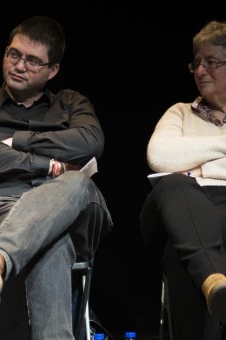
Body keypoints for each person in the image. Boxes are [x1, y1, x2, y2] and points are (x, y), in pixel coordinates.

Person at [0, 16, 113, 338]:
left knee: (78, 181)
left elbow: (91, 142)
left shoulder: (71, 103)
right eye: (13, 54)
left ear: (53, 70)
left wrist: (20, 142)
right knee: (52, 243)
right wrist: (50, 165)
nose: (19, 65)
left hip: (76, 207)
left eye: (33, 61)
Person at [139, 20, 226, 333]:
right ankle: (214, 280)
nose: (201, 70)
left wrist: (201, 167)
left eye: (212, 62)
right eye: (197, 63)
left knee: (180, 253)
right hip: (180, 205)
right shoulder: (180, 112)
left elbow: (179, 157)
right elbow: (161, 157)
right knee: (175, 182)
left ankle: (214, 283)